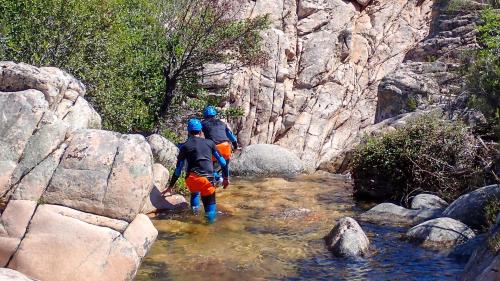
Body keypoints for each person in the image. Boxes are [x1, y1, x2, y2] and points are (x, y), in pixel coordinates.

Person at [162, 118, 229, 223]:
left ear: (188, 132)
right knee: (210, 213)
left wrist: (170, 187)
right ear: (201, 131)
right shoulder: (210, 143)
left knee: (195, 193)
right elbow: (223, 163)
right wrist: (225, 178)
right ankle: (208, 227)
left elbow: (178, 169)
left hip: (192, 180)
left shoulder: (184, 146)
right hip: (207, 181)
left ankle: (194, 214)